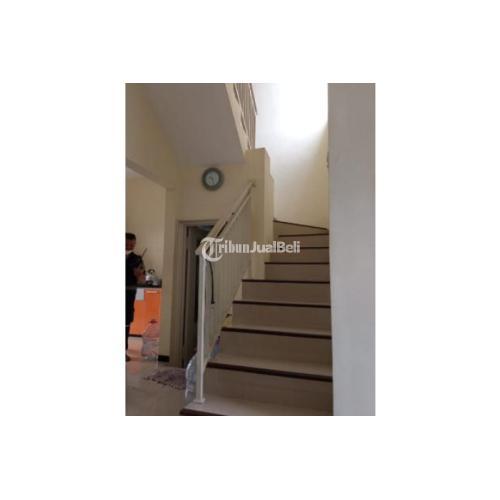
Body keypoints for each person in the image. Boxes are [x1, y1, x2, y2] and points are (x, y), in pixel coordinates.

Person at [126, 233, 145, 361]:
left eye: (132, 244)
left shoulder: (137, 259)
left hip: (128, 294)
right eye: (126, 244)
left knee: (125, 323)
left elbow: (142, 280)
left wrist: (139, 275)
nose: (129, 246)